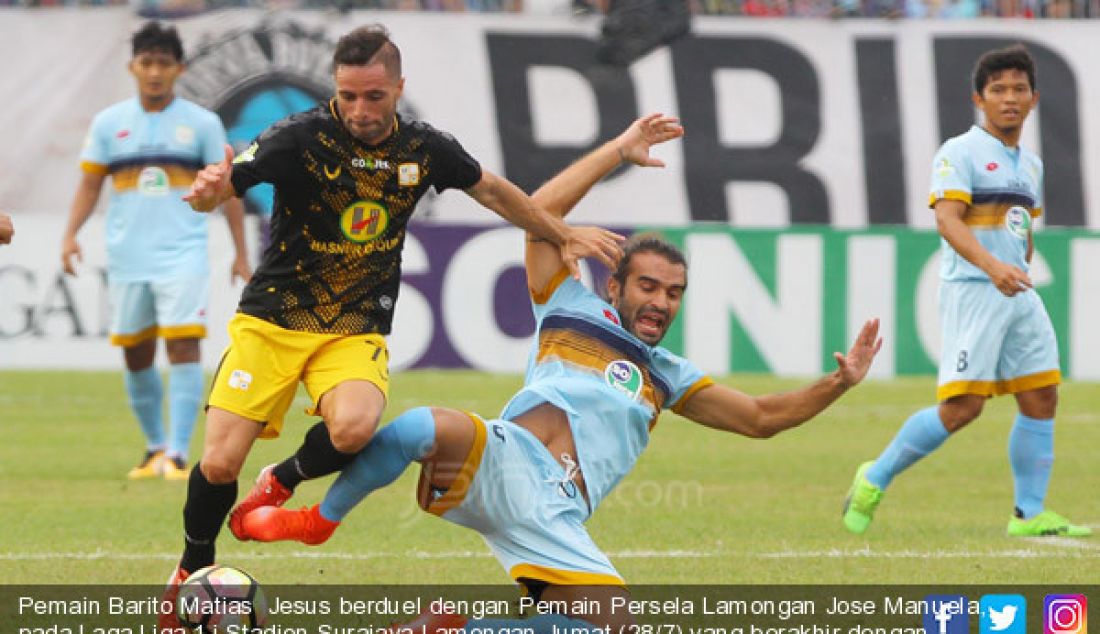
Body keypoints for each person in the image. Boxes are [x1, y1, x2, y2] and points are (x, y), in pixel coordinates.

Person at [237, 113, 882, 631]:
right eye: (649, 286)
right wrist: (617, 153)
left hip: (557, 512)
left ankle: (454, 630)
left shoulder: (668, 375)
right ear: (617, 284)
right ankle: (320, 520)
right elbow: (539, 210)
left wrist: (840, 383)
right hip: (506, 457)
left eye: (674, 292)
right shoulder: (570, 304)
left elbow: (761, 420)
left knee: (612, 627)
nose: (660, 302)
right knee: (417, 428)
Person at [157, 24, 623, 631]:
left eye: (374, 96)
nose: (359, 110)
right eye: (348, 95)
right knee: (220, 465)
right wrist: (206, 193)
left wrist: (561, 232)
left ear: (399, 87)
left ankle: (283, 478)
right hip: (272, 320)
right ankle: (193, 567)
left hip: (352, 327)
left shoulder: (425, 148)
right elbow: (226, 182)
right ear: (336, 88)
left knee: (354, 427)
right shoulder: (297, 136)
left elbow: (493, 191)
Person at [841, 45, 1090, 538]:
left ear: (1034, 98)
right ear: (979, 98)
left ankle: (1028, 514)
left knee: (1041, 395)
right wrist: (994, 265)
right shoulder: (960, 151)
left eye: (1019, 89)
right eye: (998, 90)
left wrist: (1017, 261)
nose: (1010, 98)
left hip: (1017, 290)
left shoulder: (1030, 166)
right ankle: (875, 476)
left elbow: (1020, 224)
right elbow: (946, 219)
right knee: (962, 409)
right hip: (976, 289)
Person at [60, 22, 251, 482]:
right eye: (147, 62)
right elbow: (89, 184)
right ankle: (153, 449)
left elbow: (230, 189)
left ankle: (179, 455)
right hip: (128, 257)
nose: (154, 72)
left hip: (182, 254)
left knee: (183, 344)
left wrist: (240, 253)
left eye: (164, 63)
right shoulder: (110, 124)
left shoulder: (202, 124)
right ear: (133, 67)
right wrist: (70, 235)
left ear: (179, 69)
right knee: (136, 354)